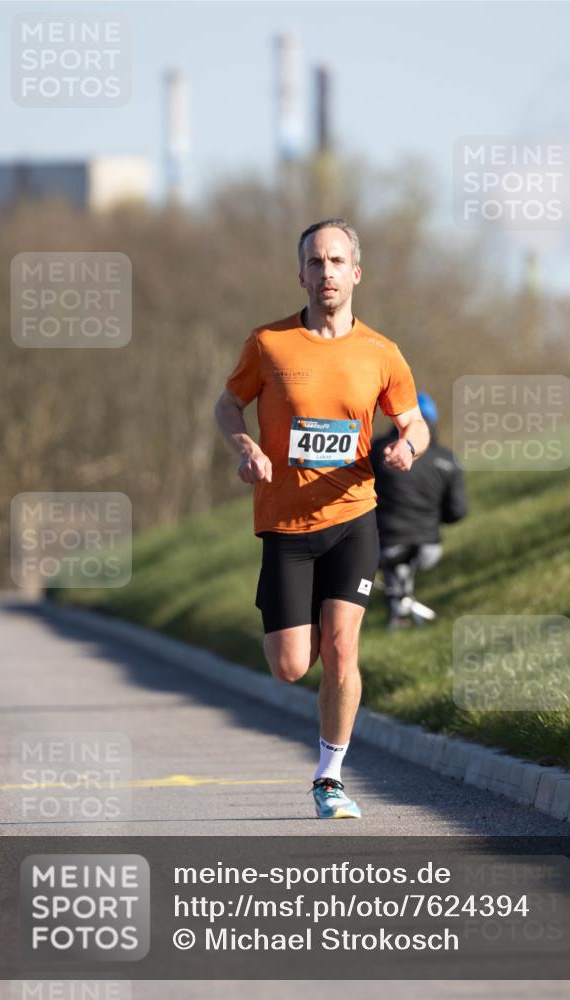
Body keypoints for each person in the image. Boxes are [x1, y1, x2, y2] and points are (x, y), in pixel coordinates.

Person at [214, 218, 429, 819]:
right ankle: (301, 621)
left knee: (341, 650)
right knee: (289, 666)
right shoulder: (269, 344)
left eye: (337, 261)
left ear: (355, 273)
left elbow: (415, 419)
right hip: (284, 525)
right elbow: (229, 403)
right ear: (300, 273)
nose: (326, 272)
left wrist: (407, 446)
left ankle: (330, 777)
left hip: (353, 517)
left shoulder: (381, 353)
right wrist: (247, 448)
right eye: (315, 262)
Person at [371, 392, 467, 628]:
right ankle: (404, 609)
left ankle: (400, 614)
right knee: (402, 559)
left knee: (396, 556)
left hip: (385, 545)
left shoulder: (376, 451)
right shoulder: (448, 460)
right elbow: (457, 511)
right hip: (429, 548)